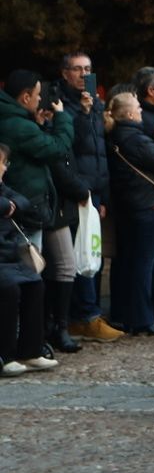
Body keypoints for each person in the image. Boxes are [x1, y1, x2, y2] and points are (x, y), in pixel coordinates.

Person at [57, 52, 121, 345]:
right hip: (77, 190)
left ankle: (90, 314)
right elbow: (73, 145)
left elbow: (100, 153)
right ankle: (84, 316)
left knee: (93, 252)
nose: (84, 74)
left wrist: (104, 195)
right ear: (65, 73)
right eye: (78, 69)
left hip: (95, 190)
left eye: (88, 69)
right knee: (80, 253)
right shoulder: (64, 105)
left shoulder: (96, 105)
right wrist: (82, 114)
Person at [107, 92, 154, 336]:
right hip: (147, 205)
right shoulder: (134, 138)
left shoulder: (120, 134)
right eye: (137, 107)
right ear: (128, 114)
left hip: (130, 204)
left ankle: (127, 315)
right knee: (143, 265)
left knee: (130, 261)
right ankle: (143, 319)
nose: (140, 111)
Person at [1, 144, 58, 376]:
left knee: (35, 283)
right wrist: (7, 205)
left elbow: (21, 201)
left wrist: (11, 205)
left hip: (8, 255)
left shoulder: (3, 187)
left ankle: (31, 350)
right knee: (9, 289)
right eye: (2, 163)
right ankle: (6, 354)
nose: (4, 168)